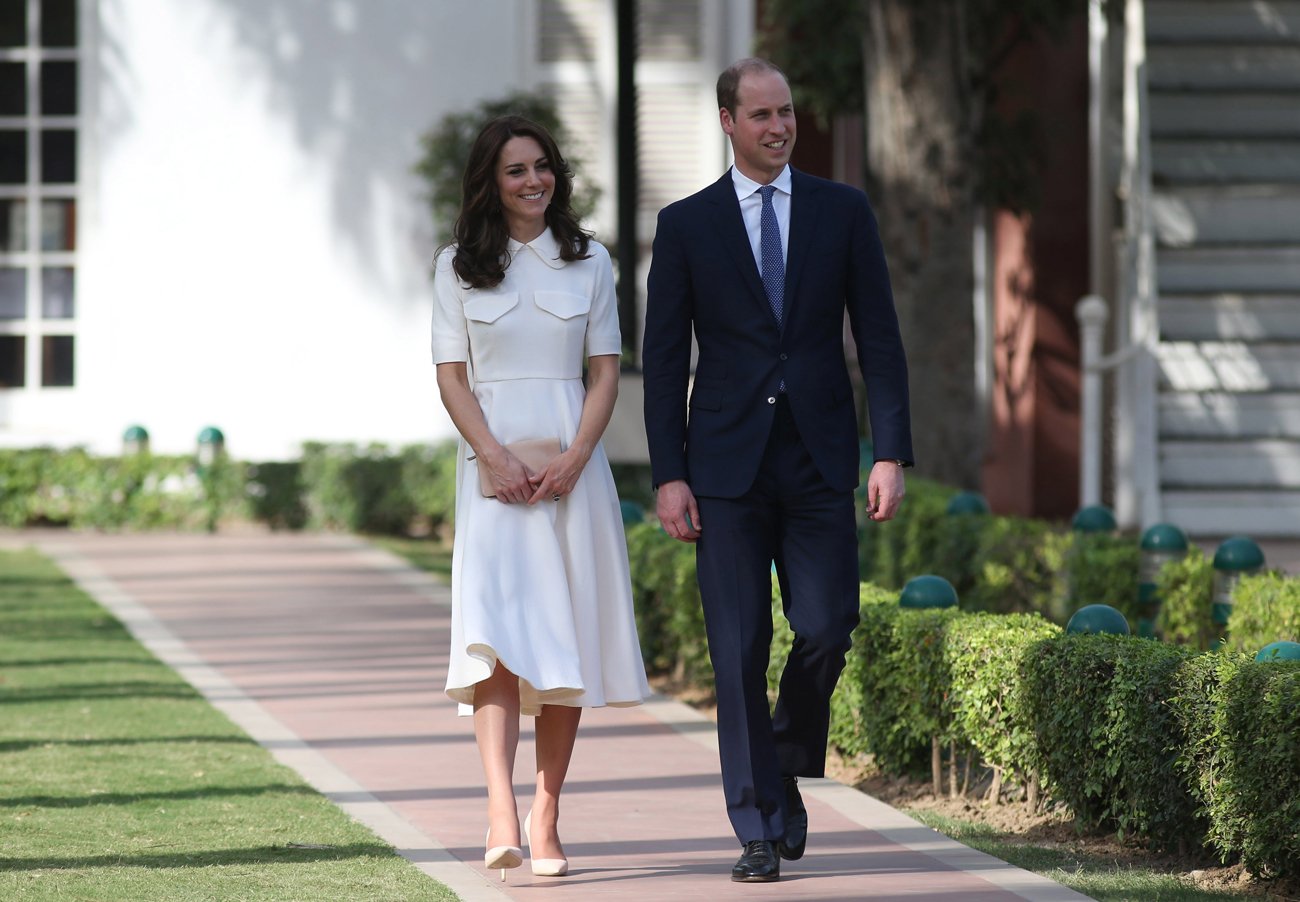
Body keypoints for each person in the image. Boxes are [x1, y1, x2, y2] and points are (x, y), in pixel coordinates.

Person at [642, 58, 913, 883]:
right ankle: (759, 823)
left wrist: (891, 450)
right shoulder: (687, 225)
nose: (778, 127)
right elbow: (662, 361)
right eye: (760, 115)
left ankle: (788, 756)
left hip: (820, 456)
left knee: (829, 625)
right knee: (735, 648)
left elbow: (880, 338)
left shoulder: (843, 211)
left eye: (786, 113)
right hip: (722, 469)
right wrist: (668, 472)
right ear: (727, 121)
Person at [431, 115, 650, 881]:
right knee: (495, 638)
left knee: (564, 644)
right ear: (491, 183)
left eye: (542, 167)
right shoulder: (456, 266)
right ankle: (499, 808)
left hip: (571, 474)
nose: (533, 181)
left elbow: (605, 372)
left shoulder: (589, 262)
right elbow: (451, 377)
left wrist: (579, 458)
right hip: (489, 477)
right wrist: (490, 457)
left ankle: (546, 813)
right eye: (516, 170)